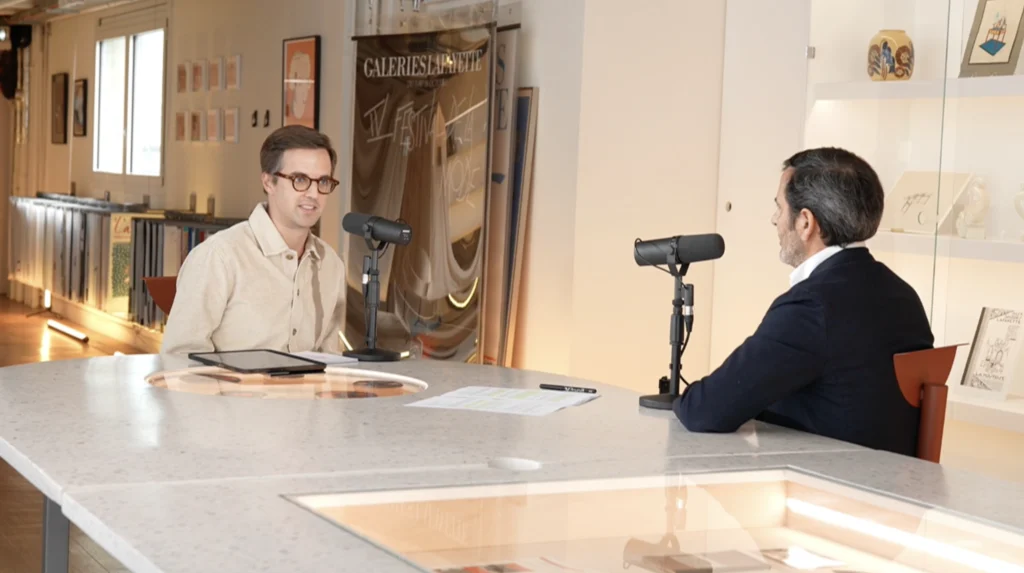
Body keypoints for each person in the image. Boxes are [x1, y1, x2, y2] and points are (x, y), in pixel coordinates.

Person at [673, 147, 934, 456]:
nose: (775, 220)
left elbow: (704, 410)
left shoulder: (812, 307)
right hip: (889, 488)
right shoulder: (903, 296)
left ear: (806, 223)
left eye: (780, 208)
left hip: (822, 492)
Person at [161, 125, 346, 355]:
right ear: (268, 182)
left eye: (323, 182)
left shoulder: (331, 265)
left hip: (307, 391)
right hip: (229, 391)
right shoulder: (219, 257)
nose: (313, 194)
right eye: (300, 179)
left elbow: (329, 357)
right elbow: (179, 358)